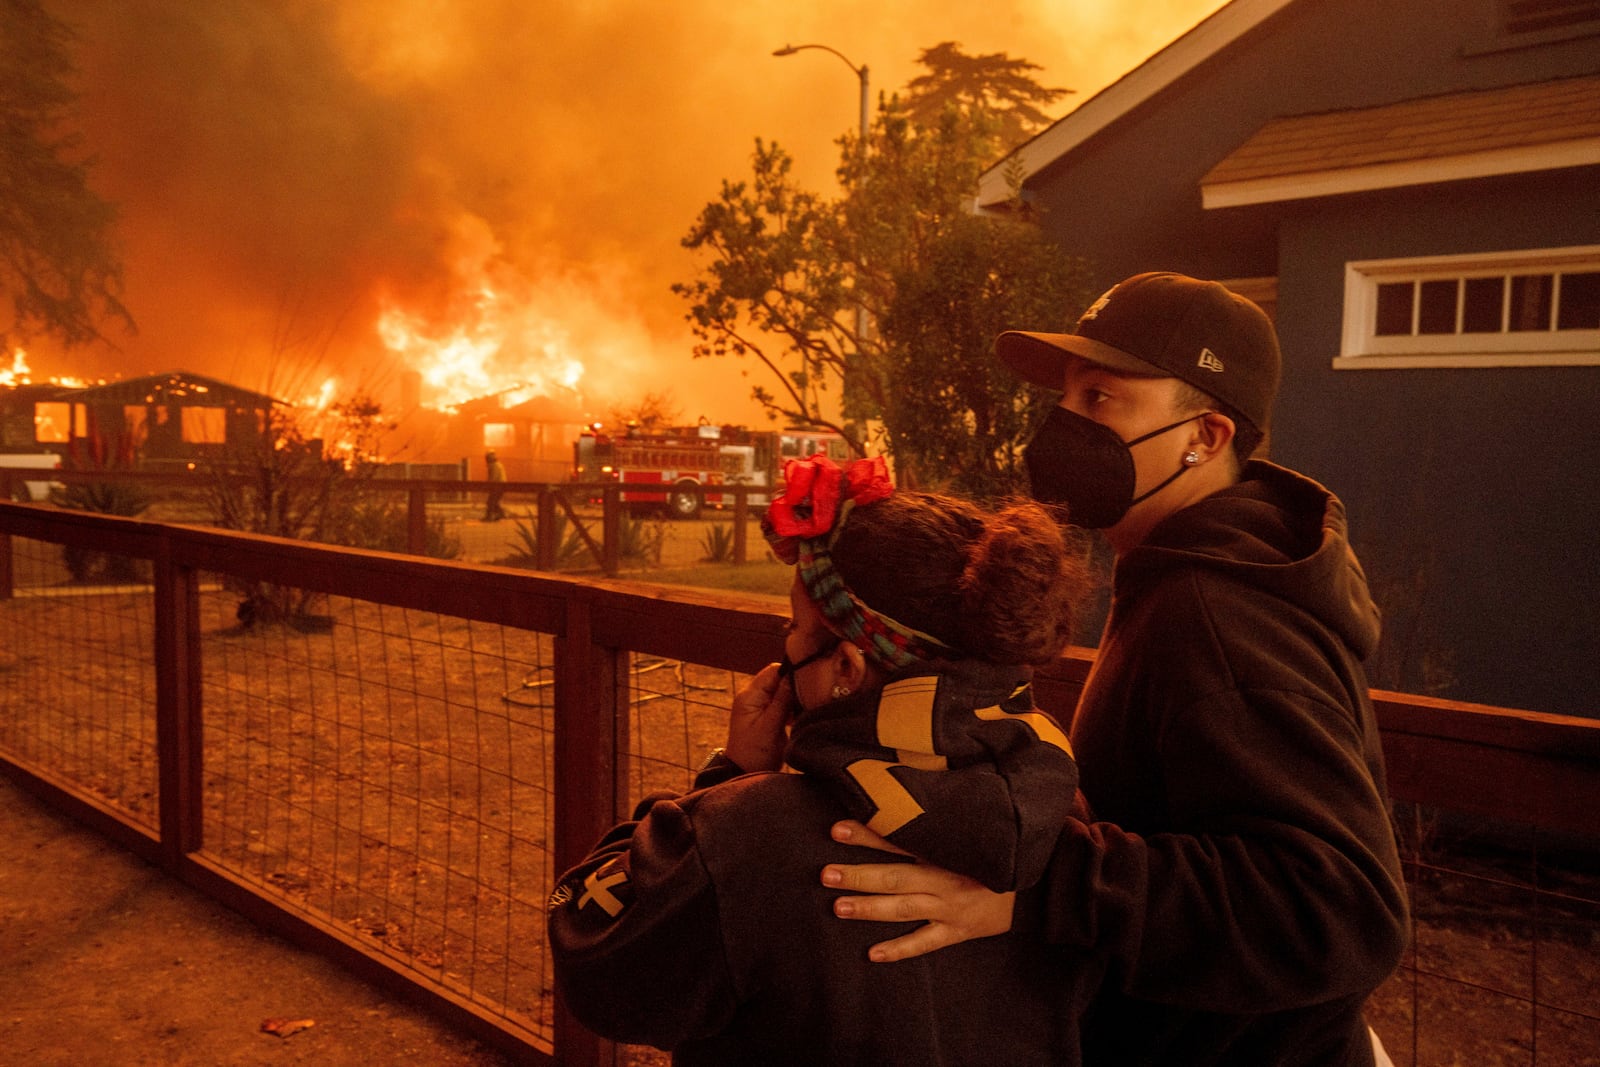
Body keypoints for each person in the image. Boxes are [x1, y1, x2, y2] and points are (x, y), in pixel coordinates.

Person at [821, 272, 1409, 1066]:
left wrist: (1039, 885)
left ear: (1205, 436)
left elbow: (1338, 905)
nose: (1063, 425)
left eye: (1100, 398)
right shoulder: (1184, 573)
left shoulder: (1219, 613)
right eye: (1066, 397)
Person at [547, 454, 1101, 1066]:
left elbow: (596, 965)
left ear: (845, 669)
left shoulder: (745, 832)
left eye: (796, 627)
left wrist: (724, 781)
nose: (785, 646)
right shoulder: (1062, 819)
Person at [482, 449, 506, 521]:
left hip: (498, 487)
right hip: (500, 486)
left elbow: (493, 477)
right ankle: (500, 514)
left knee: (491, 502)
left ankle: (491, 516)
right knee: (494, 501)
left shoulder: (494, 465)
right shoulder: (497, 464)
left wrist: (488, 486)